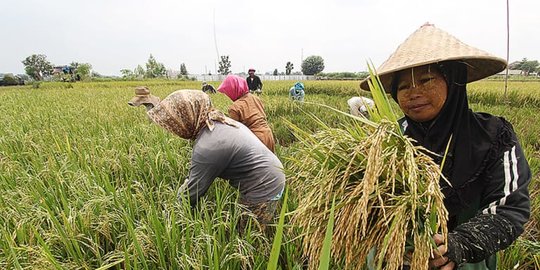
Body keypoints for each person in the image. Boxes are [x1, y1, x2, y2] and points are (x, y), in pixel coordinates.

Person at [360, 23, 531, 269]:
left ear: (454, 82)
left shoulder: (494, 136)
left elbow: (510, 209)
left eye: (426, 80)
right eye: (403, 86)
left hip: (466, 260)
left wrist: (459, 245)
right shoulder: (387, 140)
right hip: (395, 259)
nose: (413, 93)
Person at [145, 90, 286, 231]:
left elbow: (192, 192)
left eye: (176, 123)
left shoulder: (208, 146)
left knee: (246, 235)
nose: (174, 129)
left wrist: (170, 214)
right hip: (273, 174)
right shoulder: (221, 122)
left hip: (264, 186)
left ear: (187, 119)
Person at [218, 74, 276, 152]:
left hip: (255, 140)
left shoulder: (235, 107)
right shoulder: (255, 98)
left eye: (228, 92)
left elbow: (235, 131)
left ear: (233, 90)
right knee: (270, 163)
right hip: (268, 134)